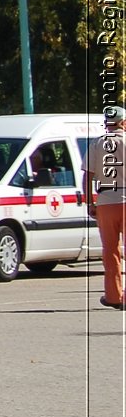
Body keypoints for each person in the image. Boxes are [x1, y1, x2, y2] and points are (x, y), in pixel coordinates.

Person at [83, 108, 125, 309]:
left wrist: (90, 202)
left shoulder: (97, 143)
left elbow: (87, 175)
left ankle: (114, 296)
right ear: (123, 123)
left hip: (106, 200)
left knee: (110, 250)